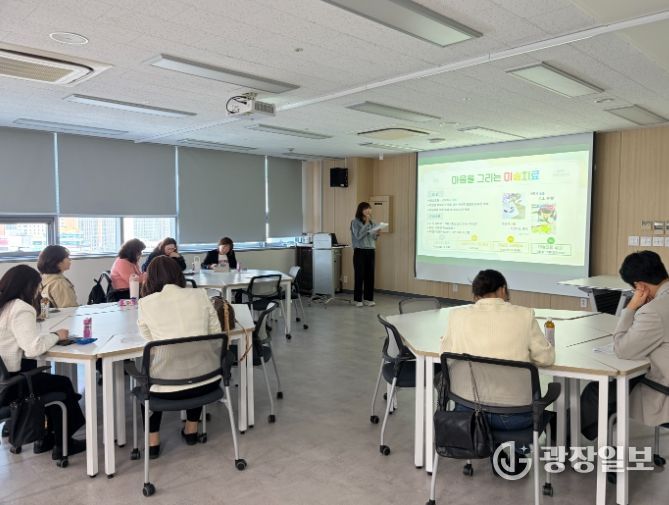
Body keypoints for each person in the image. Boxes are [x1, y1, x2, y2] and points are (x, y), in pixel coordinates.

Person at [440, 269, 555, 429]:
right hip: (515, 417)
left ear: (476, 295)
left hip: (467, 412)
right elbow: (546, 359)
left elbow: (445, 354)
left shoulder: (456, 316)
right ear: (502, 290)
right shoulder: (524, 315)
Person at [136, 256, 223, 458]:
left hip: (165, 389)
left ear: (151, 278)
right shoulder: (200, 295)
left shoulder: (146, 303)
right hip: (207, 382)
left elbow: (149, 342)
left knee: (149, 375)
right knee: (195, 364)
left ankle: (153, 442)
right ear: (178, 274)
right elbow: (216, 334)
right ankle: (191, 430)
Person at [581, 250, 669, 440]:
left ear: (640, 286)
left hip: (662, 389)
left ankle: (563, 432)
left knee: (597, 391)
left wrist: (630, 307)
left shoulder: (654, 310)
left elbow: (622, 350)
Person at [0, 265, 86, 458]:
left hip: (3, 381)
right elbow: (33, 348)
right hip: (12, 385)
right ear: (28, 286)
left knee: (50, 384)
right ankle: (63, 444)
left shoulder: (4, 305)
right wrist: (56, 335)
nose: (38, 291)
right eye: (37, 287)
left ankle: (45, 439)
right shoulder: (20, 308)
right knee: (62, 384)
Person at [350, 202, 379, 308]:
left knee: (370, 276)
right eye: (366, 208)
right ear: (361, 210)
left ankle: (368, 299)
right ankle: (357, 300)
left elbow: (374, 238)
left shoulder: (373, 222)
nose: (368, 210)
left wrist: (377, 233)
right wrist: (366, 223)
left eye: (369, 208)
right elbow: (358, 236)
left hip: (371, 250)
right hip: (360, 251)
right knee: (359, 275)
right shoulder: (355, 222)